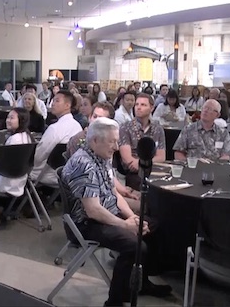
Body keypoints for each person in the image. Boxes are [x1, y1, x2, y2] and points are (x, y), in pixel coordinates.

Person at [61, 118, 172, 306]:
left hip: (105, 213)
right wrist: (124, 225)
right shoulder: (83, 164)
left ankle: (139, 283)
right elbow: (93, 210)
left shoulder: (102, 156)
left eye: (117, 140)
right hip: (86, 223)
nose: (116, 146)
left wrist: (132, 218)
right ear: (95, 140)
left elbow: (113, 193)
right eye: (112, 141)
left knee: (152, 226)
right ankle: (115, 301)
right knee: (135, 246)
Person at [66, 102, 141, 213]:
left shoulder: (105, 144)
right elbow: (86, 181)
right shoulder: (80, 144)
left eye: (100, 119)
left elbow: (107, 174)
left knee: (147, 201)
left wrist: (123, 190)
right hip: (94, 198)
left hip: (107, 193)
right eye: (94, 116)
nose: (95, 121)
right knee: (145, 207)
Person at [30, 90, 82, 186]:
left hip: (49, 174)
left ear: (67, 105)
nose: (53, 104)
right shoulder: (77, 126)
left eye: (57, 101)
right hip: (70, 173)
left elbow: (39, 155)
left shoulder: (55, 128)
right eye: (53, 100)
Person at [119, 93, 166, 191]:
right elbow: (127, 159)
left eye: (143, 105)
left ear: (151, 108)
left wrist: (141, 163)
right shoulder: (125, 127)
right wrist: (139, 165)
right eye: (137, 104)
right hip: (134, 174)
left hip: (154, 171)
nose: (138, 108)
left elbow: (161, 157)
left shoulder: (158, 128)